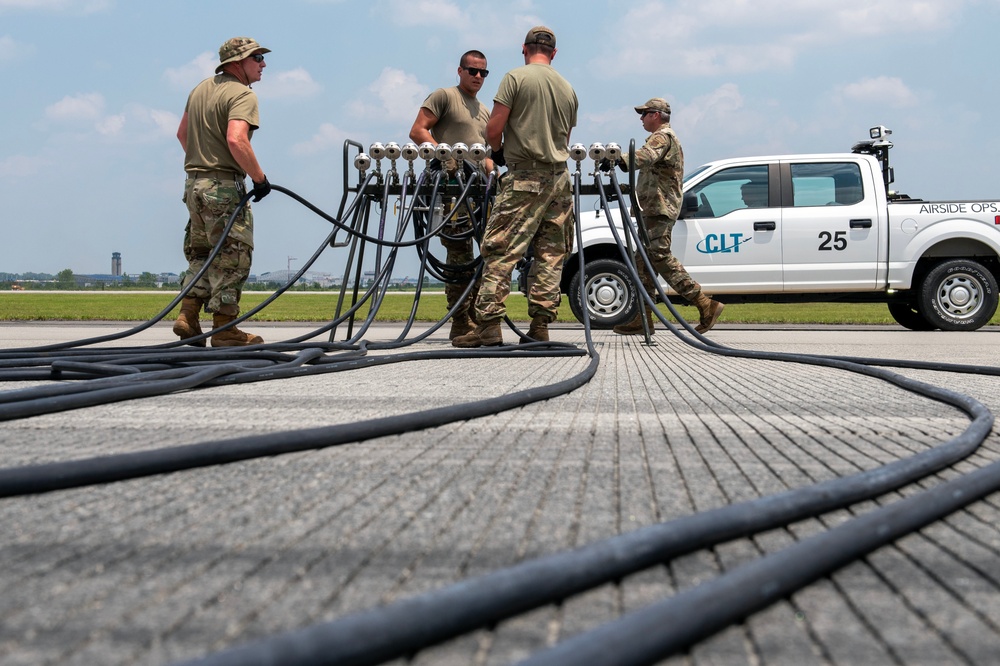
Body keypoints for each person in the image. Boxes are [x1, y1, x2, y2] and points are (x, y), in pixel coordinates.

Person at [452, 26, 578, 348]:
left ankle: (490, 327)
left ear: (524, 49)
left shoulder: (516, 78)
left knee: (500, 250)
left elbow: (493, 129)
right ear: (554, 53)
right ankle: (540, 328)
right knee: (550, 255)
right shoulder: (568, 89)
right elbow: (565, 139)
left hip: (524, 178)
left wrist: (498, 152)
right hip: (560, 181)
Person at [172, 37, 272, 347]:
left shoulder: (200, 89)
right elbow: (236, 139)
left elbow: (182, 133)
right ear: (238, 63)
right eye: (257, 57)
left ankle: (188, 316)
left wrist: (203, 164)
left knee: (202, 255)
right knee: (233, 257)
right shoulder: (242, 94)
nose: (263, 64)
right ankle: (226, 329)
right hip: (223, 187)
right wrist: (259, 178)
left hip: (194, 185)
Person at [611, 97, 724, 336]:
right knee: (641, 262)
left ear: (655, 115)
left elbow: (644, 157)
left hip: (659, 209)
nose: (641, 119)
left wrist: (618, 159)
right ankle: (643, 317)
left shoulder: (662, 137)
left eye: (644, 114)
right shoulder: (661, 138)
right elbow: (651, 176)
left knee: (659, 256)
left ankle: (704, 303)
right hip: (651, 208)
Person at [408, 50, 493, 340]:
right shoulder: (444, 96)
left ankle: (476, 319)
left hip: (479, 192)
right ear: (460, 71)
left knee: (485, 257)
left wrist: (496, 175)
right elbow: (418, 131)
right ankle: (460, 320)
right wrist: (446, 158)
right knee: (459, 256)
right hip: (454, 191)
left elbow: (485, 152)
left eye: (483, 72)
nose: (478, 76)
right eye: (472, 71)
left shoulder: (482, 110)